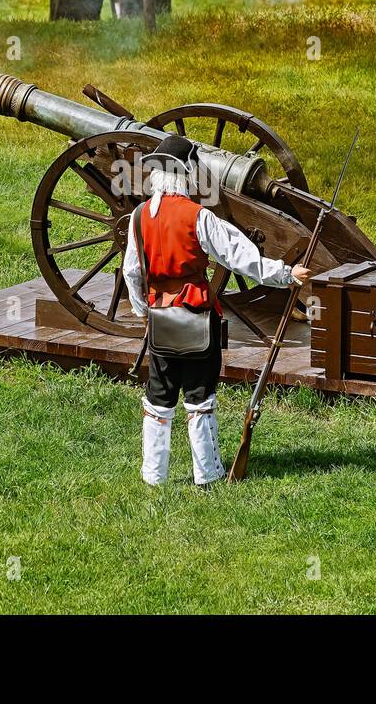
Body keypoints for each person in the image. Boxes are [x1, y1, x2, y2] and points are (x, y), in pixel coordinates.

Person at [123, 135, 311, 487]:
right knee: (199, 399)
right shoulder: (199, 217)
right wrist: (286, 274)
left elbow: (131, 271)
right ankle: (206, 475)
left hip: (161, 321)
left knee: (159, 400)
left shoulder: (137, 218)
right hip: (196, 317)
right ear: (186, 175)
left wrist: (143, 311)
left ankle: (153, 477)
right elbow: (241, 257)